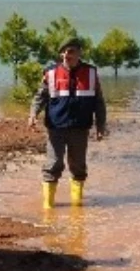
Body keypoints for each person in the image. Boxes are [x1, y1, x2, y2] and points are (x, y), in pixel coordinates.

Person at [28, 36, 108, 208]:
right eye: (63, 52)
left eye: (70, 51)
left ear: (80, 53)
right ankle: (48, 207)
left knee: (78, 166)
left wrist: (101, 125)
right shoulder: (50, 73)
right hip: (55, 128)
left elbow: (99, 102)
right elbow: (40, 97)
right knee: (53, 164)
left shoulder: (91, 73)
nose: (66, 55)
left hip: (80, 128)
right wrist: (33, 114)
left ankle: (77, 209)